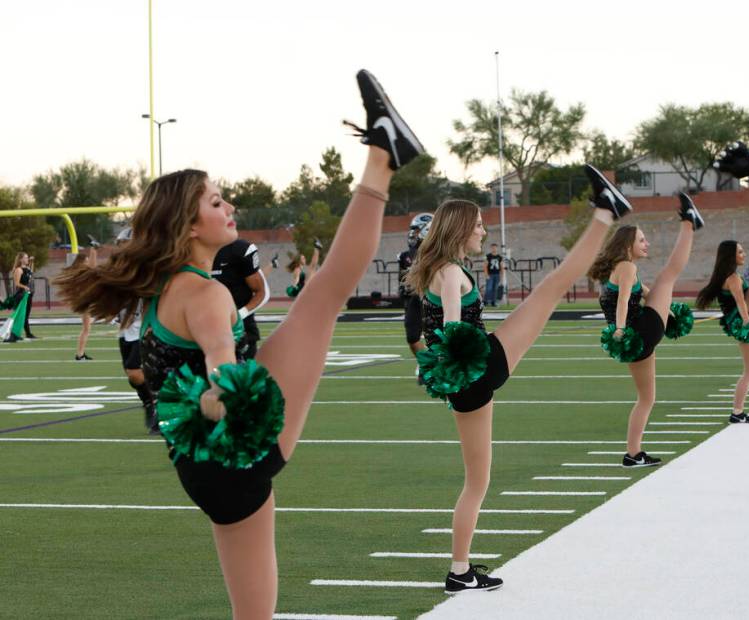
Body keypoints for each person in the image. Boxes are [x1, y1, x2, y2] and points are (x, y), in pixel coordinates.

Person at [55, 69, 422, 619]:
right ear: (190, 224)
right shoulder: (202, 294)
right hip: (234, 451)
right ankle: (382, 157)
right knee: (323, 295)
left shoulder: (168, 285)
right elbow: (224, 364)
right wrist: (219, 394)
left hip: (206, 468)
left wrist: (214, 392)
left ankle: (384, 152)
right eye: (218, 202)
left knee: (253, 613)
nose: (230, 209)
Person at [408, 164, 644, 594]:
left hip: (469, 381)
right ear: (460, 228)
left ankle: (459, 570)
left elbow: (439, 334)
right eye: (478, 225)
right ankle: (605, 212)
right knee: (552, 287)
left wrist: (446, 372)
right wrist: (455, 364)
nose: (482, 232)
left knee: (477, 481)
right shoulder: (450, 273)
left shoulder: (439, 268)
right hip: (480, 370)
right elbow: (453, 332)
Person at [590, 195, 703, 460]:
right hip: (640, 330)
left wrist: (667, 308)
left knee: (646, 399)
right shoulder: (627, 267)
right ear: (628, 244)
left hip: (636, 341)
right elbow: (622, 301)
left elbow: (641, 294)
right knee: (670, 273)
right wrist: (619, 329)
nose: (646, 243)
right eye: (641, 239)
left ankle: (633, 453)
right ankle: (688, 222)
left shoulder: (617, 270)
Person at [696, 212, 749, 423]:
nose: (743, 254)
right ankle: (737, 411)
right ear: (731, 256)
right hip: (743, 319)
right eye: (740, 252)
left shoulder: (731, 276)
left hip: (740, 318)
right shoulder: (732, 278)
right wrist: (748, 322)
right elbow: (740, 301)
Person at [213, 238, 270, 360]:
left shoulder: (239, 250)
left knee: (241, 376)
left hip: (241, 331)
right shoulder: (189, 251)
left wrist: (239, 315)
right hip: (204, 332)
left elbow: (262, 292)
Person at [399, 213, 433, 364]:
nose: (413, 234)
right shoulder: (407, 255)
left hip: (434, 298)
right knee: (412, 337)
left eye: (417, 230)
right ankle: (425, 363)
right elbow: (403, 280)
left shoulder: (438, 253)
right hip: (415, 298)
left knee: (438, 338)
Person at [69, 247, 99, 360]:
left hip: (84, 300)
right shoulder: (81, 272)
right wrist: (93, 250)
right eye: (86, 260)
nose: (87, 262)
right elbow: (93, 268)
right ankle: (79, 354)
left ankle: (81, 353)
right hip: (84, 301)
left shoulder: (79, 272)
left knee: (86, 328)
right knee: (86, 329)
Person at [11, 253, 37, 339]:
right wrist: (25, 287)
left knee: (26, 315)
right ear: (21, 259)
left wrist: (32, 262)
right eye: (26, 258)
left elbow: (30, 274)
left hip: (28, 295)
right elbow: (17, 284)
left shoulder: (27, 268)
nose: (27, 259)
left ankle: (27, 333)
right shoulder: (18, 270)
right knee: (20, 315)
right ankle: (14, 334)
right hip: (21, 295)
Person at [483, 243, 504, 307]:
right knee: (488, 288)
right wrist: (486, 275)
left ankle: (493, 302)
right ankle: (485, 301)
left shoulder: (499, 257)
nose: (494, 249)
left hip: (497, 274)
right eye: (492, 247)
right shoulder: (488, 256)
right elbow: (485, 266)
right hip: (490, 275)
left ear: (497, 248)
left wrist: (502, 276)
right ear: (491, 248)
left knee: (495, 289)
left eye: (495, 247)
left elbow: (501, 267)